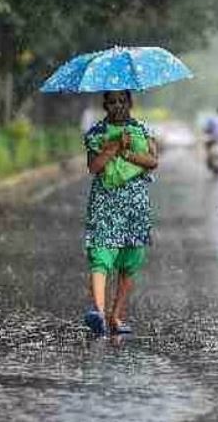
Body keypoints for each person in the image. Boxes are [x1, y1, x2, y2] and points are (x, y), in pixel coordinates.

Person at [82, 90, 158, 335]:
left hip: (135, 204)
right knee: (101, 254)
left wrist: (127, 152)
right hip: (105, 201)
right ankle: (98, 312)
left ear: (130, 103)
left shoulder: (143, 129)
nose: (117, 106)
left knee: (129, 261)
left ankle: (115, 316)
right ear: (105, 104)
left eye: (122, 101)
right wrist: (112, 148)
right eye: (112, 102)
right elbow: (94, 167)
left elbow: (152, 161)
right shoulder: (96, 133)